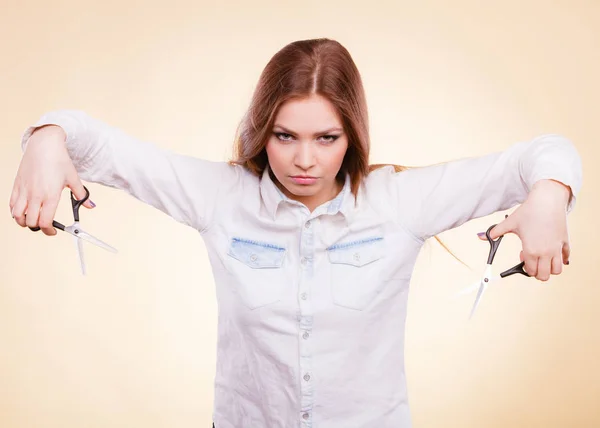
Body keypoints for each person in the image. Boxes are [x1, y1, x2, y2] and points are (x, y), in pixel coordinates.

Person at [9, 38, 582, 428]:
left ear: (352, 135)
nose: (304, 160)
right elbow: (93, 144)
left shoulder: (402, 202)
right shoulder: (220, 197)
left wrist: (551, 195)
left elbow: (544, 153)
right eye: (285, 136)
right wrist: (46, 135)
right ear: (262, 132)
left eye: (326, 138)